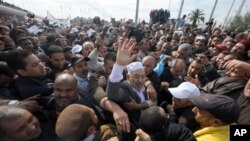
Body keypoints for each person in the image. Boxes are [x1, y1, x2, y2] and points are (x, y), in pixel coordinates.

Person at [107, 37, 157, 140]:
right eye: (136, 76)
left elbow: (154, 100)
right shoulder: (124, 88)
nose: (140, 80)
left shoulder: (146, 85)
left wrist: (141, 105)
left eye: (143, 76)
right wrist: (119, 66)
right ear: (128, 77)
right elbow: (112, 94)